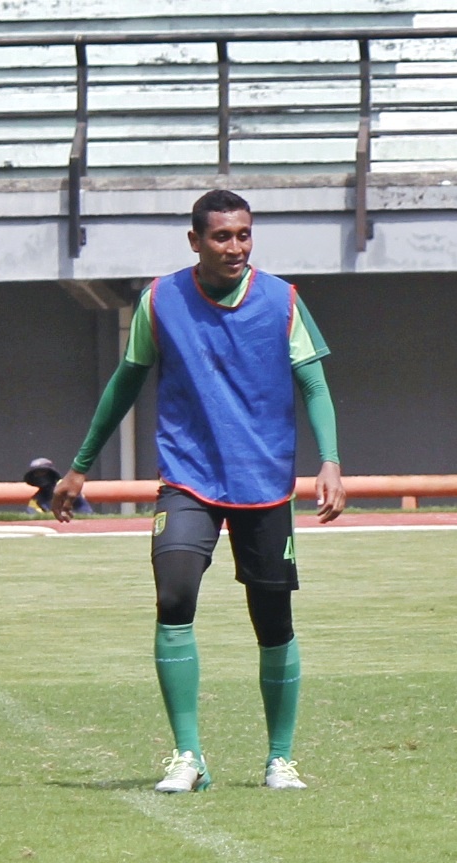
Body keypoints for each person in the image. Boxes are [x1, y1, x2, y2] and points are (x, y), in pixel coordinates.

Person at [53, 189, 346, 793]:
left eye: (243, 234)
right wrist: (81, 466)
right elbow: (124, 384)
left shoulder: (282, 299)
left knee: (272, 620)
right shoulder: (160, 301)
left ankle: (279, 760)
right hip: (188, 479)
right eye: (222, 236)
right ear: (195, 241)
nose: (235, 246)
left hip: (264, 484)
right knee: (174, 594)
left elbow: (314, 386)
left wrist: (331, 461)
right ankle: (188, 756)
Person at [24, 457, 91, 517]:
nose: (40, 476)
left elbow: (86, 512)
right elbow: (36, 518)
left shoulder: (66, 488)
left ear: (51, 473)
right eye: (36, 473)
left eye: (42, 472)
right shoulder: (35, 501)